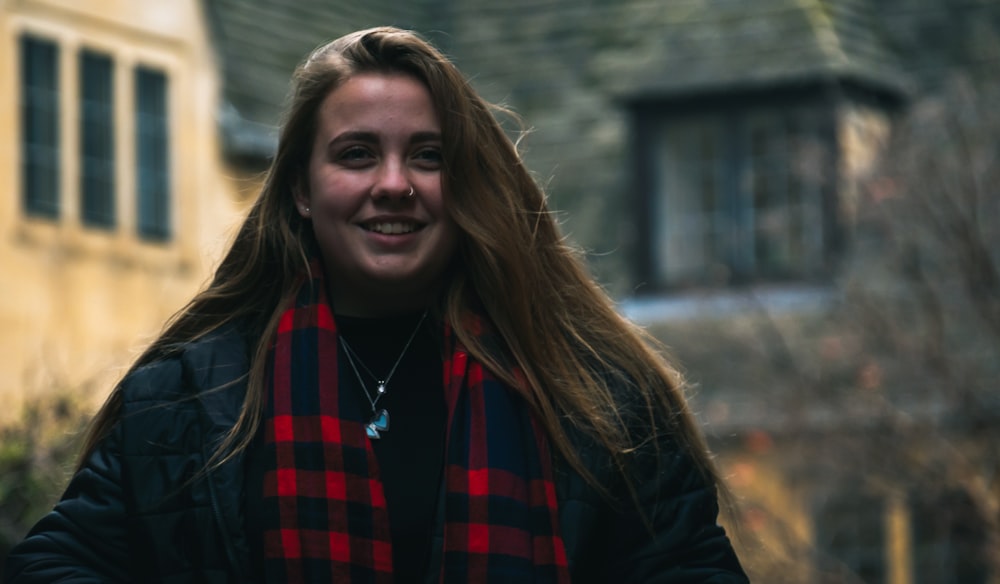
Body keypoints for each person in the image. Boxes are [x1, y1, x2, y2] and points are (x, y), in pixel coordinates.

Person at [3, 26, 748, 583]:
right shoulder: (189, 398)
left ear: (466, 187)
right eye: (357, 154)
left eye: (428, 156)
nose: (395, 183)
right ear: (300, 188)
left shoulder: (595, 401)